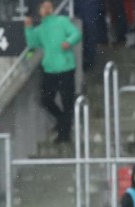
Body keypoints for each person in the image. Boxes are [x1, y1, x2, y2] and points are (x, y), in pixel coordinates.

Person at [25, 0, 82, 144]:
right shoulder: (40, 29)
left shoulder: (62, 21)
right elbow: (33, 43)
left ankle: (64, 134)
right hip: (50, 68)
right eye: (43, 7)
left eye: (49, 6)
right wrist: (29, 28)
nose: (47, 9)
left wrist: (69, 42)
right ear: (39, 10)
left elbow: (76, 33)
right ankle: (62, 120)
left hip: (66, 67)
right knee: (46, 99)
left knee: (67, 101)